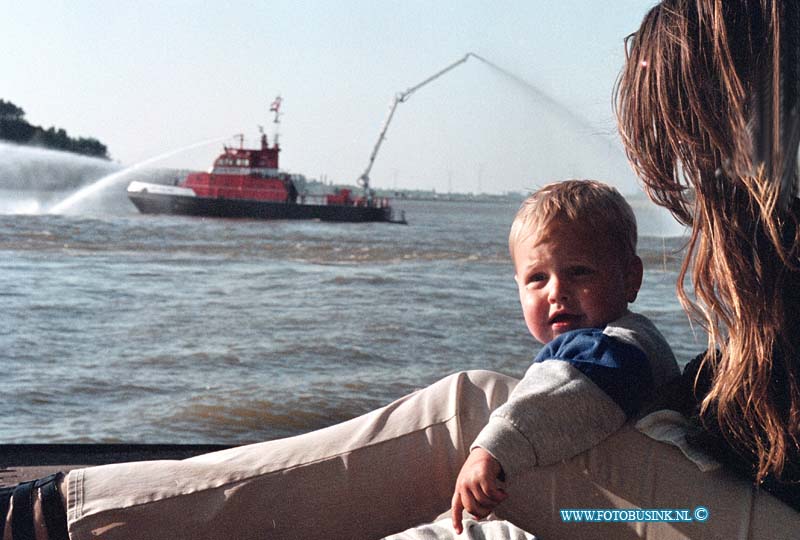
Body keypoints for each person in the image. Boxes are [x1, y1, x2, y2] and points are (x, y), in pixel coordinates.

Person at [615, 0, 800, 511]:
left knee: (469, 410)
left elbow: (777, 450)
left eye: (694, 139)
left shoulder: (783, 232)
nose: (700, 171)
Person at [449, 180, 678, 532]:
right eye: (537, 278)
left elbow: (567, 396)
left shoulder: (617, 351)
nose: (556, 292)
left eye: (579, 272)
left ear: (631, 277)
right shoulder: (619, 339)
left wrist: (490, 451)